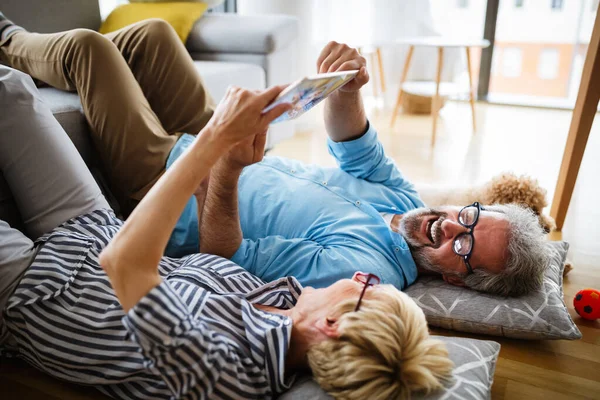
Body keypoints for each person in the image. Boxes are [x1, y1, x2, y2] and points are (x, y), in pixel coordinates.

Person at [0, 13, 550, 298]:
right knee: (153, 36)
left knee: (90, 50)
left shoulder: (367, 271)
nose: (452, 224)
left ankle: (7, 38)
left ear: (457, 281)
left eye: (466, 246)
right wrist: (349, 86)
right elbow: (353, 144)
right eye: (472, 216)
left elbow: (226, 259)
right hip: (212, 139)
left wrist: (228, 170)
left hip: (170, 185)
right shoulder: (406, 201)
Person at [0, 65, 454, 399]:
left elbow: (123, 264)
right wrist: (220, 173)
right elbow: (210, 261)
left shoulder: (224, 371)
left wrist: (212, 139)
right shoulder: (285, 299)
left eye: (367, 289)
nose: (360, 277)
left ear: (331, 326)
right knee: (13, 89)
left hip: (33, 289)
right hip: (91, 228)